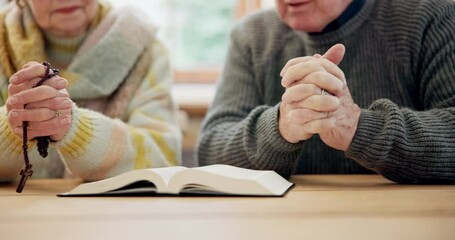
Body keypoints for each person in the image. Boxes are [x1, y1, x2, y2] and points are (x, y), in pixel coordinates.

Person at [197, 0, 455, 183]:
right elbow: (211, 149)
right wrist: (280, 128)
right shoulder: (251, 36)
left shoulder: (432, 17)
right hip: (283, 225)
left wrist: (357, 126)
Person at [0, 0, 182, 181]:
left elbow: (164, 158)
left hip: (112, 210)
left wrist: (76, 130)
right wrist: (15, 124)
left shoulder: (145, 46)